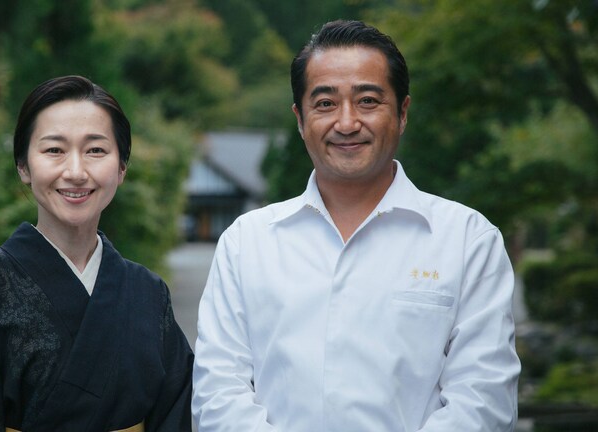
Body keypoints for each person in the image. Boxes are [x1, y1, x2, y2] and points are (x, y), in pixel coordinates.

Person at [192, 20, 520, 431]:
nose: (346, 123)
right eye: (325, 104)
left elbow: (483, 403)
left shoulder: (468, 240)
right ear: (299, 118)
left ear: (402, 113)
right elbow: (218, 395)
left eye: (368, 101)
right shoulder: (247, 242)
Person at [0, 75, 194, 431]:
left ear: (122, 167)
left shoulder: (149, 293)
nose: (75, 172)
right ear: (23, 166)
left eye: (96, 150)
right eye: (54, 150)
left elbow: (175, 414)